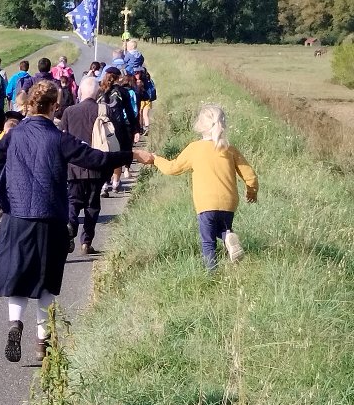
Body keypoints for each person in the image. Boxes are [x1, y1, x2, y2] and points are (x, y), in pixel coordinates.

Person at [0, 81, 153, 362]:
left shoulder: (13, 135)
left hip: (17, 216)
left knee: (17, 277)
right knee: (46, 283)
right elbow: (96, 159)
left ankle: (15, 323)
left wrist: (7, 193)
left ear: (30, 105)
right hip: (50, 217)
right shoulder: (58, 137)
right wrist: (132, 154)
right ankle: (42, 343)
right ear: (55, 107)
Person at [150, 104, 258, 271]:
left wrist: (155, 159)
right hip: (229, 203)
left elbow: (172, 168)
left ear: (200, 126)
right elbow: (249, 174)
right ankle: (228, 236)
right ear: (223, 124)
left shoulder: (195, 148)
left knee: (208, 242)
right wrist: (252, 192)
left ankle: (211, 274)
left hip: (206, 204)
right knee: (222, 228)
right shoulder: (229, 149)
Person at [60, 75, 107, 255]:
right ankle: (86, 242)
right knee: (92, 205)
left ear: (80, 92)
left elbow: (61, 139)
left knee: (73, 201)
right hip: (97, 165)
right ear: (97, 93)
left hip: (74, 167)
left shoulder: (69, 112)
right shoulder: (103, 111)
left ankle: (70, 227)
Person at [99, 67, 140, 197]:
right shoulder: (122, 91)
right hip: (119, 127)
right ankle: (116, 182)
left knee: (104, 154)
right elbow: (130, 112)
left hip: (102, 127)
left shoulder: (100, 90)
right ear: (118, 77)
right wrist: (135, 129)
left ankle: (104, 184)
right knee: (118, 155)